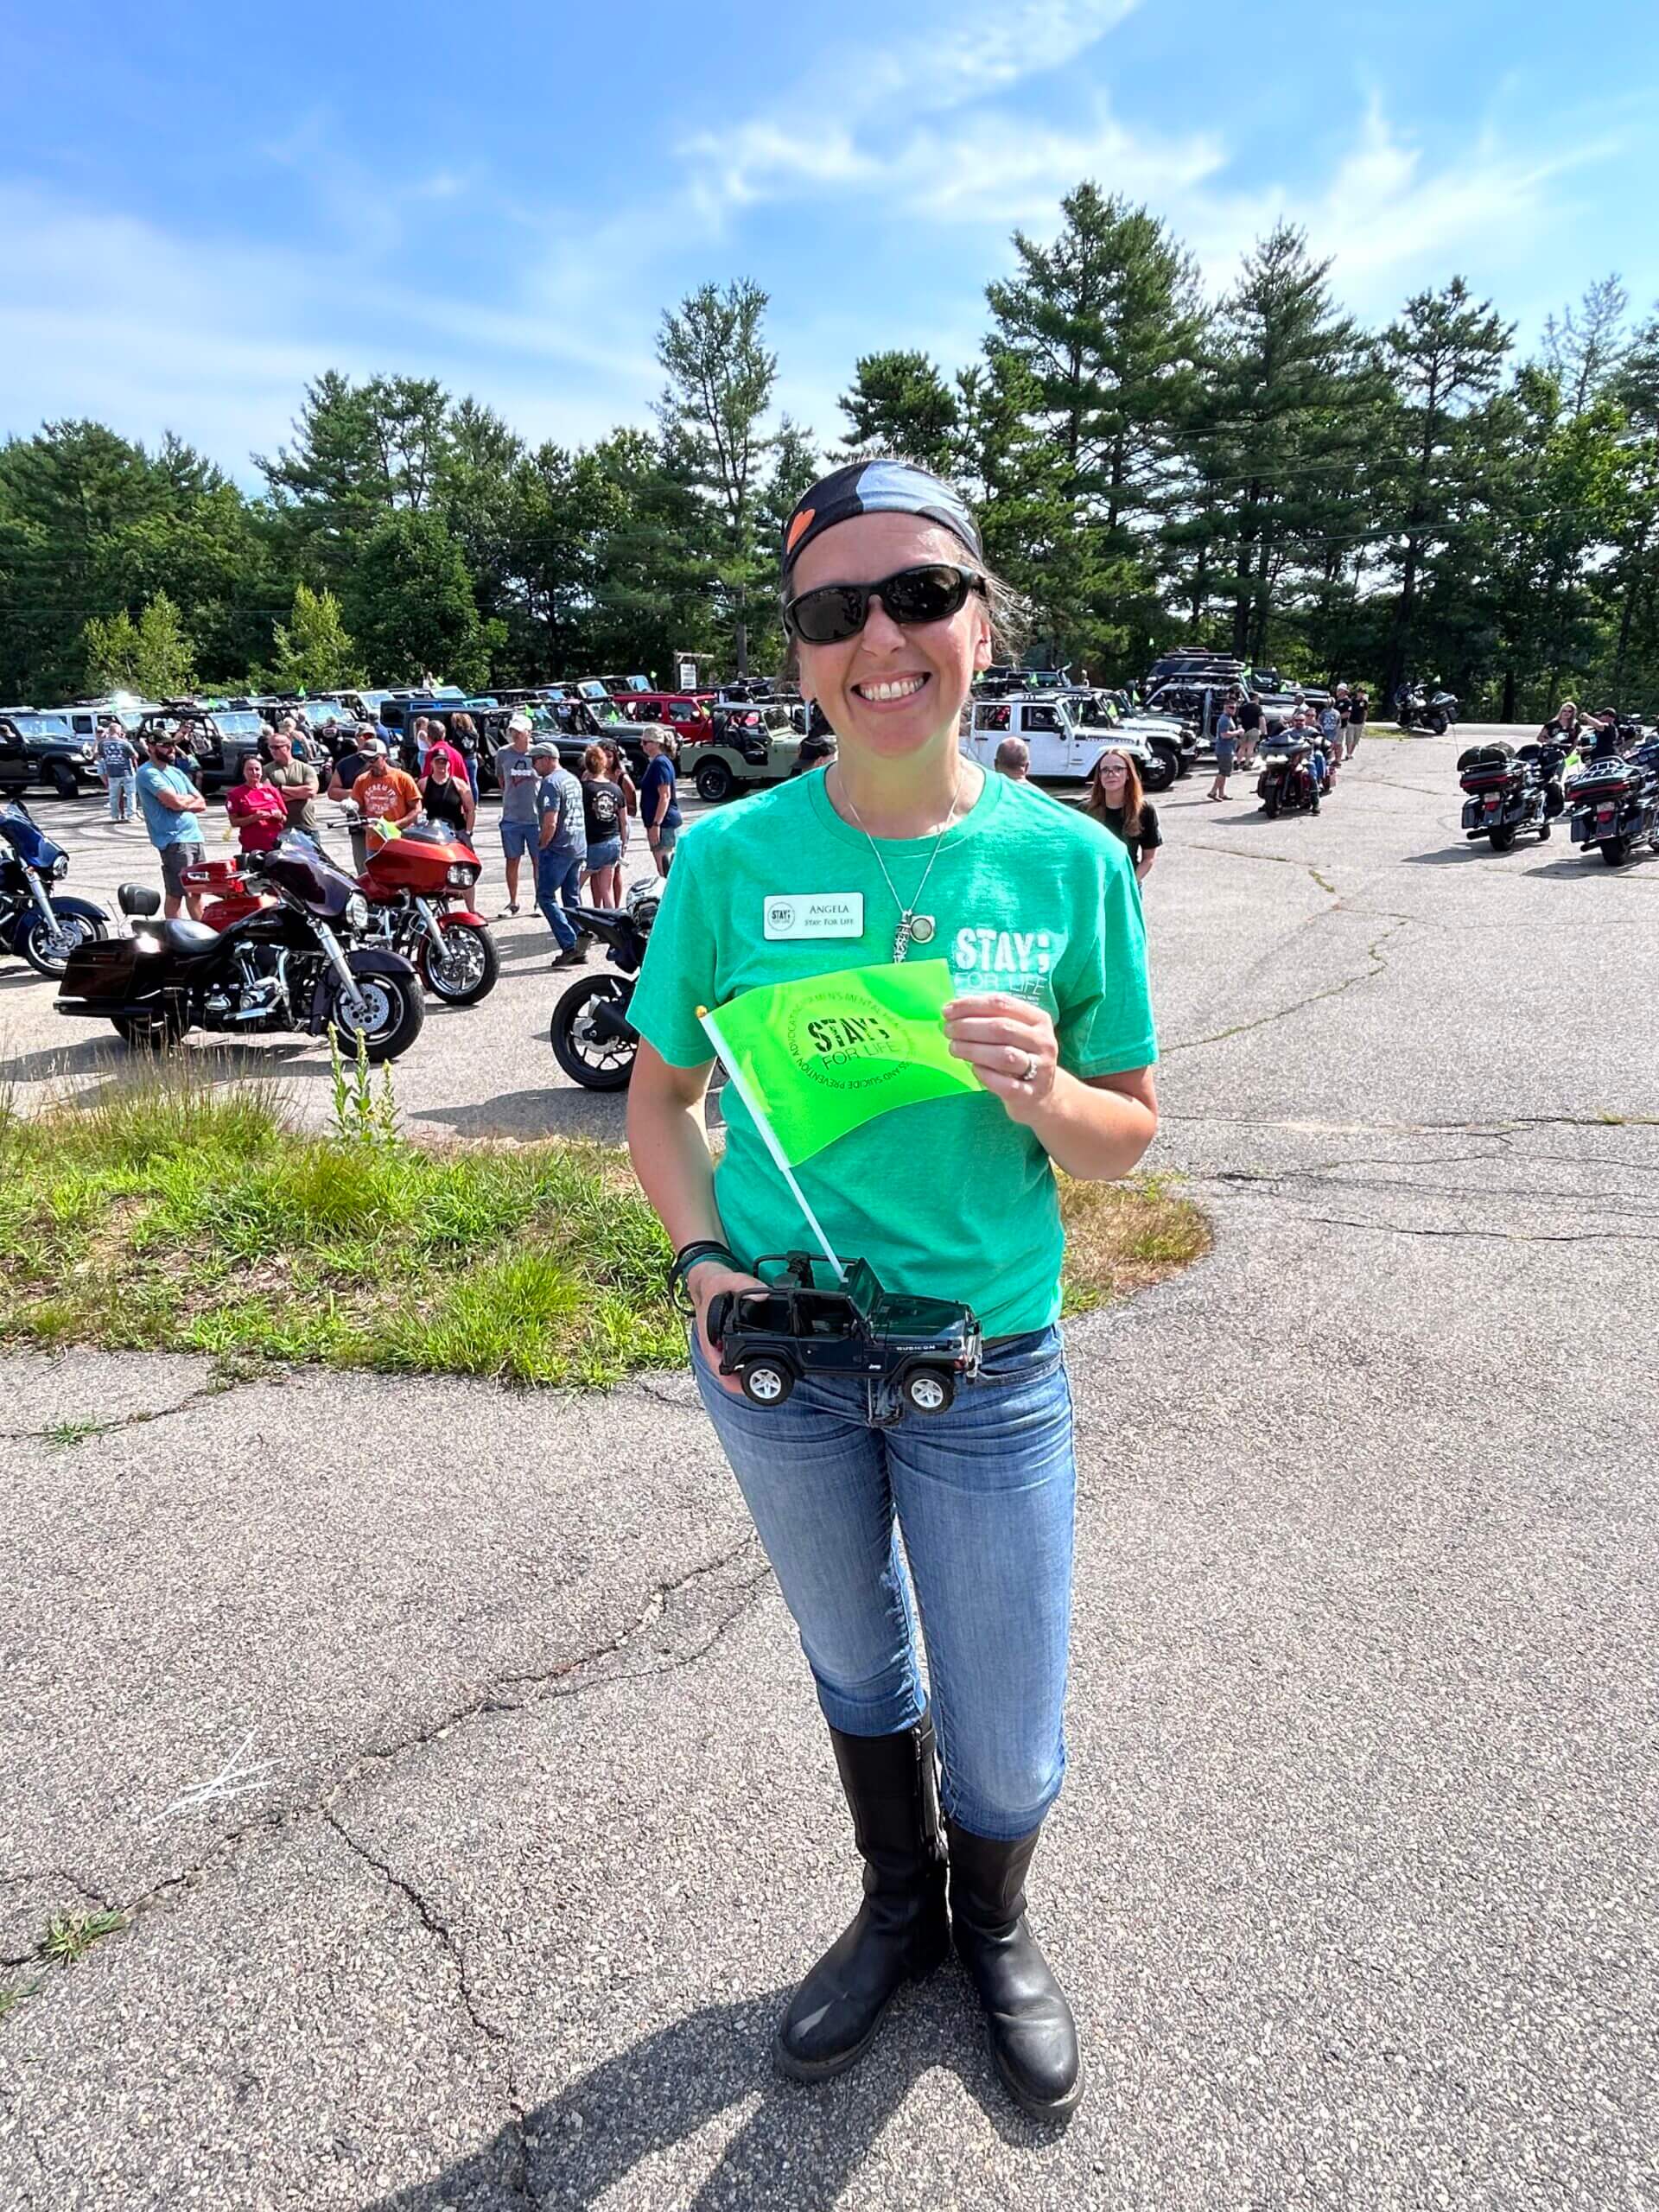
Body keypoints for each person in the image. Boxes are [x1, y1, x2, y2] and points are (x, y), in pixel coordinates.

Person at [626, 457, 1158, 2121]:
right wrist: (703, 1258)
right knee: (858, 1669)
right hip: (778, 1359)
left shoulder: (1067, 865)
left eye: (921, 595)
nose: (882, 637)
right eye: (834, 610)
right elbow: (661, 1100)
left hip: (985, 1366)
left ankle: (993, 1928)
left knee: (1004, 1731)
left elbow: (1126, 1142)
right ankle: (897, 1903)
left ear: (981, 626)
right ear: (799, 652)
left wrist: (1041, 1095)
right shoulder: (726, 859)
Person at [136, 726, 209, 918]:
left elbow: (201, 802)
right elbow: (173, 802)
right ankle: (175, 934)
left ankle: (202, 933)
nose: (171, 750)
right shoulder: (147, 773)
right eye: (165, 746)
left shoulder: (177, 773)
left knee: (197, 890)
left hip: (194, 837)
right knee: (177, 892)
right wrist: (180, 801)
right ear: (151, 747)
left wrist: (180, 801)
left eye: (172, 745)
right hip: (173, 840)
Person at [532, 741, 587, 966]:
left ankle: (569, 943)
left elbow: (550, 821)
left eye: (535, 760)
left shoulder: (551, 783)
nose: (534, 765)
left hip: (559, 848)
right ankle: (581, 939)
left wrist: (542, 844)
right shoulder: (572, 779)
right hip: (578, 844)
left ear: (547, 759)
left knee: (545, 896)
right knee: (571, 896)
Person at [1083, 747, 1162, 881]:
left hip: (1127, 883)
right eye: (1105, 770)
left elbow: (1148, 858)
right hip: (1093, 885)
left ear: (1128, 774)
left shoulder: (1144, 810)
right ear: (1100, 776)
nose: (1111, 774)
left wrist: (1132, 883)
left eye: (1118, 769)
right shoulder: (1084, 811)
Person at [493, 711, 543, 915]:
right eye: (513, 731)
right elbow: (501, 781)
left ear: (528, 733)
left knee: (538, 861)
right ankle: (513, 902)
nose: (515, 735)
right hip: (511, 817)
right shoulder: (503, 753)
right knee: (512, 860)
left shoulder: (538, 753)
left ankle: (540, 901)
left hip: (535, 818)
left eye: (519, 731)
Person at [349, 737, 422, 852]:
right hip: (374, 845)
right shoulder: (361, 780)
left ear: (385, 757)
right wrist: (365, 826)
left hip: (399, 842)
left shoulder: (403, 778)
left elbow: (417, 809)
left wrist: (395, 825)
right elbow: (357, 809)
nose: (369, 763)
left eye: (373, 759)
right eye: (365, 759)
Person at [579, 743, 627, 908]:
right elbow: (624, 821)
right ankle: (612, 925)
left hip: (593, 844)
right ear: (604, 764)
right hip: (613, 842)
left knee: (574, 886)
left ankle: (574, 922)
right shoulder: (616, 789)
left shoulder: (584, 789)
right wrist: (624, 845)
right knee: (607, 891)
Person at [224, 752, 289, 855]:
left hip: (276, 845)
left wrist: (278, 815)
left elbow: (285, 818)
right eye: (250, 769)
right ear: (243, 772)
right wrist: (254, 818)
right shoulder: (235, 794)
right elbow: (234, 822)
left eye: (257, 769)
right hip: (252, 847)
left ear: (262, 772)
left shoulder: (272, 791)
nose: (254, 772)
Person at [639, 728, 682, 877]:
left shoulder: (660, 764)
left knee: (665, 868)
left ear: (656, 743)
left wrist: (656, 824)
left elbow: (665, 796)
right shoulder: (658, 762)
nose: (642, 745)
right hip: (661, 823)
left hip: (664, 824)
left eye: (645, 742)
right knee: (664, 867)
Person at [265, 729, 321, 842]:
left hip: (307, 826)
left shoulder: (305, 768)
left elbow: (310, 791)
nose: (273, 751)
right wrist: (300, 794)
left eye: (277, 747)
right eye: (271, 747)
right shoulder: (266, 770)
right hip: (281, 829)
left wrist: (282, 789)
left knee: (314, 859)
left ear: (288, 747)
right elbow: (269, 797)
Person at [420, 746, 474, 839]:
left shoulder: (459, 784)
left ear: (449, 764)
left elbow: (470, 810)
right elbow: (416, 809)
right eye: (438, 762)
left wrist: (468, 832)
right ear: (432, 763)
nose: (441, 765)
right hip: (433, 833)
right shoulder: (423, 784)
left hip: (456, 832)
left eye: (444, 762)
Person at [96, 717, 139, 822]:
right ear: (119, 731)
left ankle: (115, 816)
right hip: (126, 771)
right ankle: (131, 815)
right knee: (130, 794)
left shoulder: (102, 743)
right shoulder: (124, 743)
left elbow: (101, 755)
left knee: (114, 796)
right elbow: (135, 756)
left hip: (111, 772)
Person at [1208, 694, 1237, 801]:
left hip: (1227, 748)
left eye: (1235, 707)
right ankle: (1213, 792)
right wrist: (1238, 732)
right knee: (1223, 772)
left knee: (1225, 773)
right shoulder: (1225, 719)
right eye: (1231, 707)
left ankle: (1222, 793)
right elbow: (1224, 735)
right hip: (1224, 749)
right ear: (1225, 707)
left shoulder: (1229, 718)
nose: (1233, 710)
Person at [448, 711, 481, 798]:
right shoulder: (474, 734)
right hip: (473, 759)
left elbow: (456, 747)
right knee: (473, 782)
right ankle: (475, 803)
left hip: (463, 760)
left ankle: (465, 801)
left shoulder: (457, 733)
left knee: (462, 781)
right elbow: (477, 747)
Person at [1235, 689, 1262, 768]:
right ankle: (1246, 764)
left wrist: (1239, 727)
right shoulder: (1258, 708)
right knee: (1250, 748)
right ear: (1255, 698)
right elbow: (1261, 719)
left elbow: (1238, 719)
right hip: (1254, 729)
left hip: (1243, 730)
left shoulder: (1242, 707)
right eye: (1258, 698)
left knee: (1242, 747)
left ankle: (1238, 762)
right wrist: (1264, 731)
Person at [1346, 687, 1368, 759]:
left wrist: (1364, 721)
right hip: (1351, 722)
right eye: (1360, 692)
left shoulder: (1364, 702)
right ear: (1357, 692)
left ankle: (1351, 753)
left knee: (1356, 739)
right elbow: (1349, 711)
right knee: (1350, 738)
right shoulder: (1352, 700)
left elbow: (1365, 712)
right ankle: (1348, 753)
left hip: (1360, 722)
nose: (1361, 694)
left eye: (1363, 692)